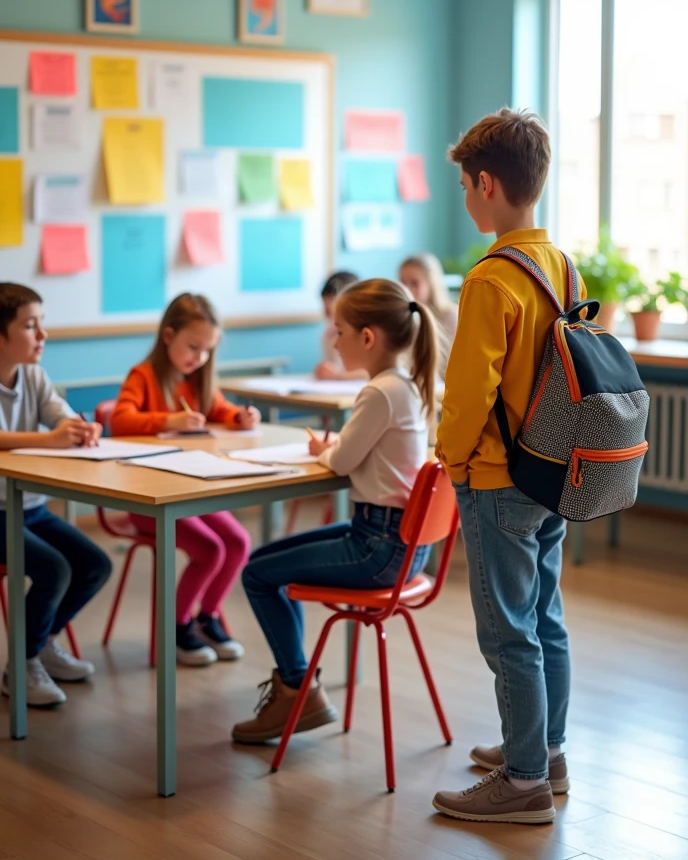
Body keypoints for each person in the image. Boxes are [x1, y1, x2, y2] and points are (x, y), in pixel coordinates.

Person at [433, 109, 584, 825]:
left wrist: (449, 458)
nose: (465, 197)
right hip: (552, 473)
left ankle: (522, 782)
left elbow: (468, 393)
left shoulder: (491, 279)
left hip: (497, 479)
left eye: (465, 185)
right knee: (544, 618)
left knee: (508, 631)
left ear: (486, 184)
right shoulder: (559, 263)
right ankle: (545, 751)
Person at [232, 278, 438, 744]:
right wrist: (339, 448)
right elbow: (361, 454)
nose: (333, 339)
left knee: (257, 575)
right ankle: (298, 687)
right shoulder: (404, 386)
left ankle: (297, 691)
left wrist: (328, 449)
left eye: (339, 330)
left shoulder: (379, 392)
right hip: (398, 542)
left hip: (378, 547)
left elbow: (343, 460)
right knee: (264, 563)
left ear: (368, 338)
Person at [111, 293, 260, 666]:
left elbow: (219, 409)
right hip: (149, 499)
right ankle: (176, 629)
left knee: (238, 541)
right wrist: (167, 420)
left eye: (208, 350)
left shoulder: (197, 379)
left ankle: (206, 618)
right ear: (168, 336)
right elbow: (120, 420)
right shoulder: (143, 376)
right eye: (193, 347)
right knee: (210, 549)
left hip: (192, 490)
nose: (200, 357)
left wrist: (239, 416)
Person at [0, 283, 112, 707]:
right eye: (30, 326)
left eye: (42, 324)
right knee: (54, 569)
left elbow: (60, 416)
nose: (42, 335)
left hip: (30, 508)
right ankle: (21, 665)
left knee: (95, 565)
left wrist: (80, 428)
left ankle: (41, 641)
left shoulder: (34, 375)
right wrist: (50, 440)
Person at [399, 253, 457, 372]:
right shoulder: (402, 316)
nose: (407, 289)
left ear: (431, 283)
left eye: (414, 283)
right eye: (403, 283)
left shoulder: (449, 315)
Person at [313, 271, 367, 381]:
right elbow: (334, 366)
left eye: (335, 313)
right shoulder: (329, 334)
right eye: (327, 313)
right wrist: (325, 370)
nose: (332, 322)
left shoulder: (366, 334)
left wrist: (338, 376)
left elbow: (373, 371)